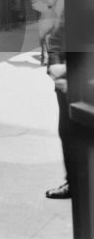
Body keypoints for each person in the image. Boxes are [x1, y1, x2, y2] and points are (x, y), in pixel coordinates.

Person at [45, 17, 75, 199]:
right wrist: (55, 68)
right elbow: (56, 39)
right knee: (67, 133)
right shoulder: (77, 1)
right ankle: (73, 182)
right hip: (68, 87)